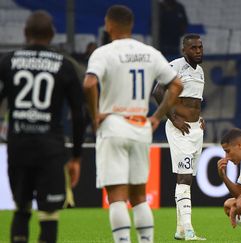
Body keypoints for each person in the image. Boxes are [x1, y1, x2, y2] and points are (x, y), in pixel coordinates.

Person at [83, 5, 183, 243]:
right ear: (131, 25)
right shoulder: (149, 52)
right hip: (141, 126)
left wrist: (95, 114)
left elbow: (88, 84)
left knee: (117, 195)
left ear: (108, 25)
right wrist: (156, 117)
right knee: (139, 195)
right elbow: (176, 85)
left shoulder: (103, 52)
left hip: (114, 126)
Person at [0, 10, 85, 243]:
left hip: (18, 147)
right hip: (51, 149)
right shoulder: (64, 65)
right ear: (52, 35)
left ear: (25, 33)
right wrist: (76, 156)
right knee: (49, 214)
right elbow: (79, 113)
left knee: (21, 208)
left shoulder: (8, 61)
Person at [153, 33, 206, 241]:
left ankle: (180, 230)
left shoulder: (200, 71)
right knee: (183, 177)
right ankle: (190, 230)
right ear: (184, 50)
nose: (198, 51)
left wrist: (200, 118)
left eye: (200, 47)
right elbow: (157, 91)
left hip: (195, 129)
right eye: (193, 48)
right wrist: (173, 118)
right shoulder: (174, 66)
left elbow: (193, 102)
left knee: (187, 179)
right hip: (179, 129)